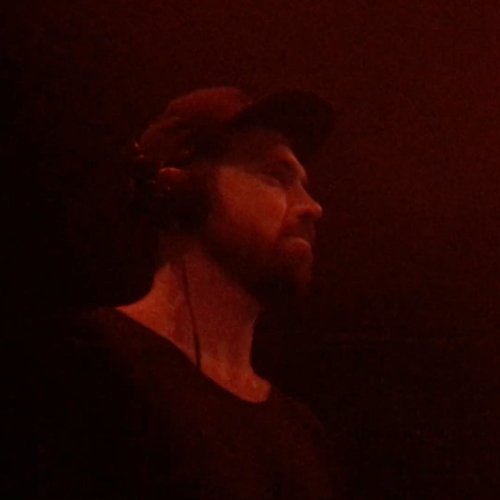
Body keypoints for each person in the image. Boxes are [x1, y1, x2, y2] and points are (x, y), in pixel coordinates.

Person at [37, 86, 336, 499]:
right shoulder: (89, 359)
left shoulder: (302, 432)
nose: (312, 206)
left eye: (304, 184)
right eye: (275, 176)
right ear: (180, 193)